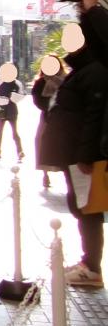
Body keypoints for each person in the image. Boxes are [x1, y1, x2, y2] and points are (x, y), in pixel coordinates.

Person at [38, 45, 106, 288]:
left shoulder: (94, 71)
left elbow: (94, 115)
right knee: (81, 206)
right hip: (74, 153)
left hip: (82, 155)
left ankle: (91, 267)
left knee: (87, 208)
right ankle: (88, 263)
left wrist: (85, 155)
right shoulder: (83, 70)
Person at [32, 54, 68, 190]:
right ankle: (45, 173)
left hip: (64, 116)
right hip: (47, 115)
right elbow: (37, 99)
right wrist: (48, 107)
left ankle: (66, 173)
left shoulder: (66, 79)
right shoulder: (40, 81)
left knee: (63, 143)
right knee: (41, 140)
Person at [0, 68, 25, 160]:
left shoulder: (17, 83)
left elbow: (22, 94)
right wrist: (3, 99)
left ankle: (20, 151)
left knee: (14, 130)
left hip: (12, 108)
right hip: (1, 107)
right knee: (0, 129)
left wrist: (14, 97)